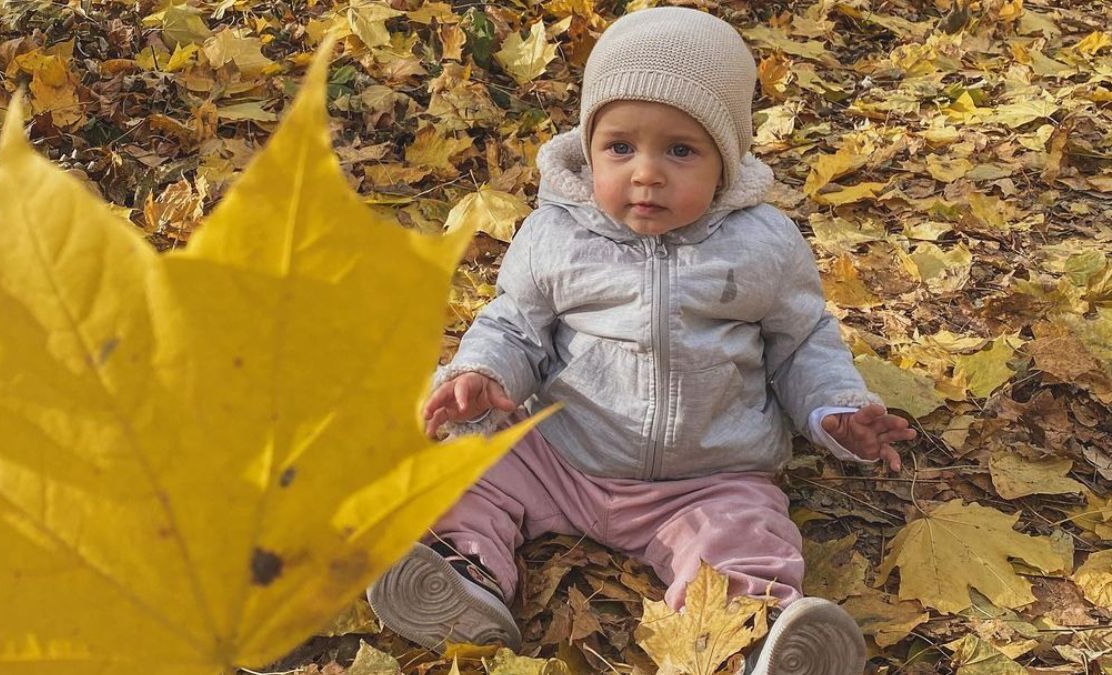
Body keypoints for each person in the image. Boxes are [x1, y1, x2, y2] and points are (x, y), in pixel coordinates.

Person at [367, 7, 916, 674]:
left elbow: (803, 342)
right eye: (621, 147)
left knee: (745, 534)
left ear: (727, 157)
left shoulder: (763, 245)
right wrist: (485, 372)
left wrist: (835, 408)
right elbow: (517, 322)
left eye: (680, 150)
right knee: (471, 464)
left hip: (706, 477)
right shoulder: (558, 234)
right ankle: (464, 572)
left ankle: (744, 633)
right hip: (563, 455)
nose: (646, 173)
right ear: (590, 145)